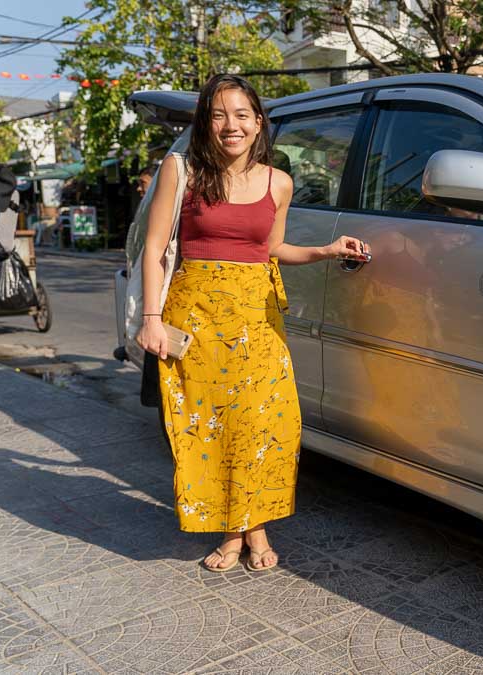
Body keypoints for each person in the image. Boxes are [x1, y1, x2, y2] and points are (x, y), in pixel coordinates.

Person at [136, 74, 370, 572]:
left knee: (266, 425)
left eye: (241, 114)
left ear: (258, 122)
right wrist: (151, 319)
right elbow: (155, 248)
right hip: (195, 322)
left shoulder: (278, 182)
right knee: (210, 428)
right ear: (205, 123)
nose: (230, 125)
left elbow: (270, 250)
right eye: (218, 115)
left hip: (257, 321)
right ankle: (238, 533)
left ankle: (251, 525)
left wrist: (326, 250)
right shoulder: (182, 171)